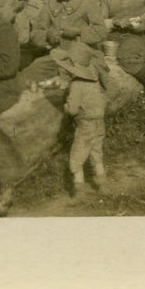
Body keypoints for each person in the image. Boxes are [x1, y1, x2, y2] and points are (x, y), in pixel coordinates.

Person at [57, 29, 110, 200]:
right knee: (96, 153)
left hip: (85, 125)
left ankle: (79, 191)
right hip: (99, 122)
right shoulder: (94, 82)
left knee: (77, 157)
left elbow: (72, 110)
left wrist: (65, 106)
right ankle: (102, 185)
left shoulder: (77, 85)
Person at [8, 0, 54, 68]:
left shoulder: (40, 6)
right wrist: (12, 11)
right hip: (15, 51)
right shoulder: (7, 7)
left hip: (36, 53)